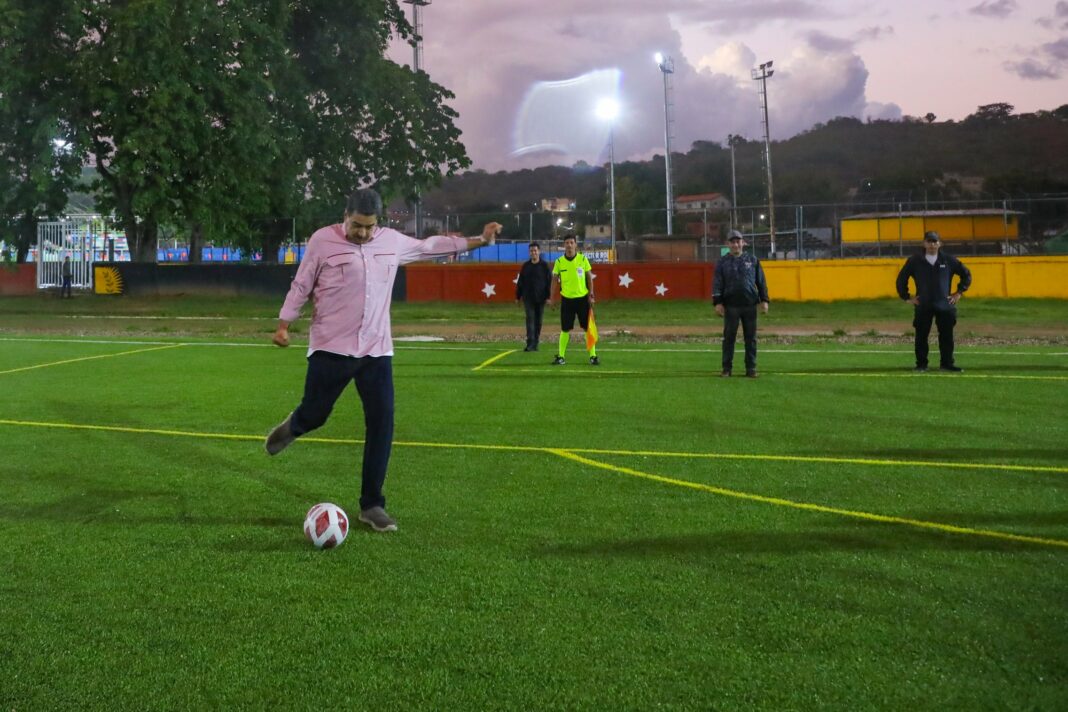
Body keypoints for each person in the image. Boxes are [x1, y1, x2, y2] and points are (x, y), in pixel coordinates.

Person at [266, 188, 502, 532]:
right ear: (345, 215)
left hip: (376, 350)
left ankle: (372, 504)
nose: (363, 233)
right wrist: (284, 325)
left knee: (382, 422)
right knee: (316, 414)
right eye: (357, 225)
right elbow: (301, 284)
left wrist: (479, 240)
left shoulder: (390, 241)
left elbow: (430, 247)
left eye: (369, 226)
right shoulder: (321, 241)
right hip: (331, 346)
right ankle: (295, 426)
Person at [896, 230, 972, 373]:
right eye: (929, 241)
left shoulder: (948, 260)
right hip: (923, 304)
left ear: (940, 244)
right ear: (924, 243)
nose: (932, 245)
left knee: (947, 336)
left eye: (935, 241)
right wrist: (907, 297)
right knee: (921, 336)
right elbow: (901, 279)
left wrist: (959, 292)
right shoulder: (915, 261)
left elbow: (966, 275)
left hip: (944, 305)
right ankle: (921, 364)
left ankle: (947, 364)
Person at [712, 230, 769, 378]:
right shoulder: (722, 262)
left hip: (749, 305)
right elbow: (717, 283)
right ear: (728, 244)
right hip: (731, 306)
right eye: (732, 242)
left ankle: (751, 368)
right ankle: (726, 368)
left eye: (738, 241)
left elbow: (761, 281)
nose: (735, 244)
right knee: (729, 338)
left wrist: (764, 300)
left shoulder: (753, 259)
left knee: (751, 338)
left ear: (743, 243)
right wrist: (718, 303)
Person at [549, 234, 598, 366]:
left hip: (582, 299)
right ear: (564, 245)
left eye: (571, 242)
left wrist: (591, 294)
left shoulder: (583, 259)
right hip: (567, 300)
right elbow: (554, 280)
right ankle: (561, 357)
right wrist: (552, 297)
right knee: (565, 329)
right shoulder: (559, 262)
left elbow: (589, 278)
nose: (569, 245)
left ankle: (593, 356)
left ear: (576, 244)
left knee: (588, 328)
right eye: (567, 243)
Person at [515, 241, 551, 351]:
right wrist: (518, 296)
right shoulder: (526, 266)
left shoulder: (544, 266)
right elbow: (520, 282)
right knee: (530, 320)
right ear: (529, 252)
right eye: (531, 251)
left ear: (539, 252)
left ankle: (536, 342)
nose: (533, 252)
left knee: (538, 321)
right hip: (528, 298)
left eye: (535, 250)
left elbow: (549, 282)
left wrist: (549, 297)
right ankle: (530, 343)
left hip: (541, 298)